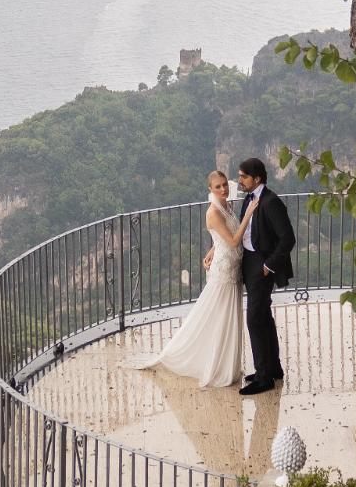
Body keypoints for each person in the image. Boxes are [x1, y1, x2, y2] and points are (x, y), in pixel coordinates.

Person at [125, 171, 259, 387]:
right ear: (210, 189)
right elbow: (234, 241)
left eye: (225, 185)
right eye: (218, 187)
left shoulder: (226, 206)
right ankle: (207, 363)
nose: (223, 189)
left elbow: (224, 236)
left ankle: (227, 364)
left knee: (227, 315)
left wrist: (212, 250)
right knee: (216, 316)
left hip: (232, 266)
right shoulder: (213, 212)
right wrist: (249, 215)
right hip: (224, 271)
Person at [235, 156, 295, 395]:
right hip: (249, 261)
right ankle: (273, 368)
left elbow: (288, 238)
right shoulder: (248, 199)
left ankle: (263, 378)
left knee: (254, 319)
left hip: (261, 265)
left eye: (243, 176)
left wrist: (268, 266)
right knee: (263, 316)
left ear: (257, 178)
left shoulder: (270, 202)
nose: (239, 180)